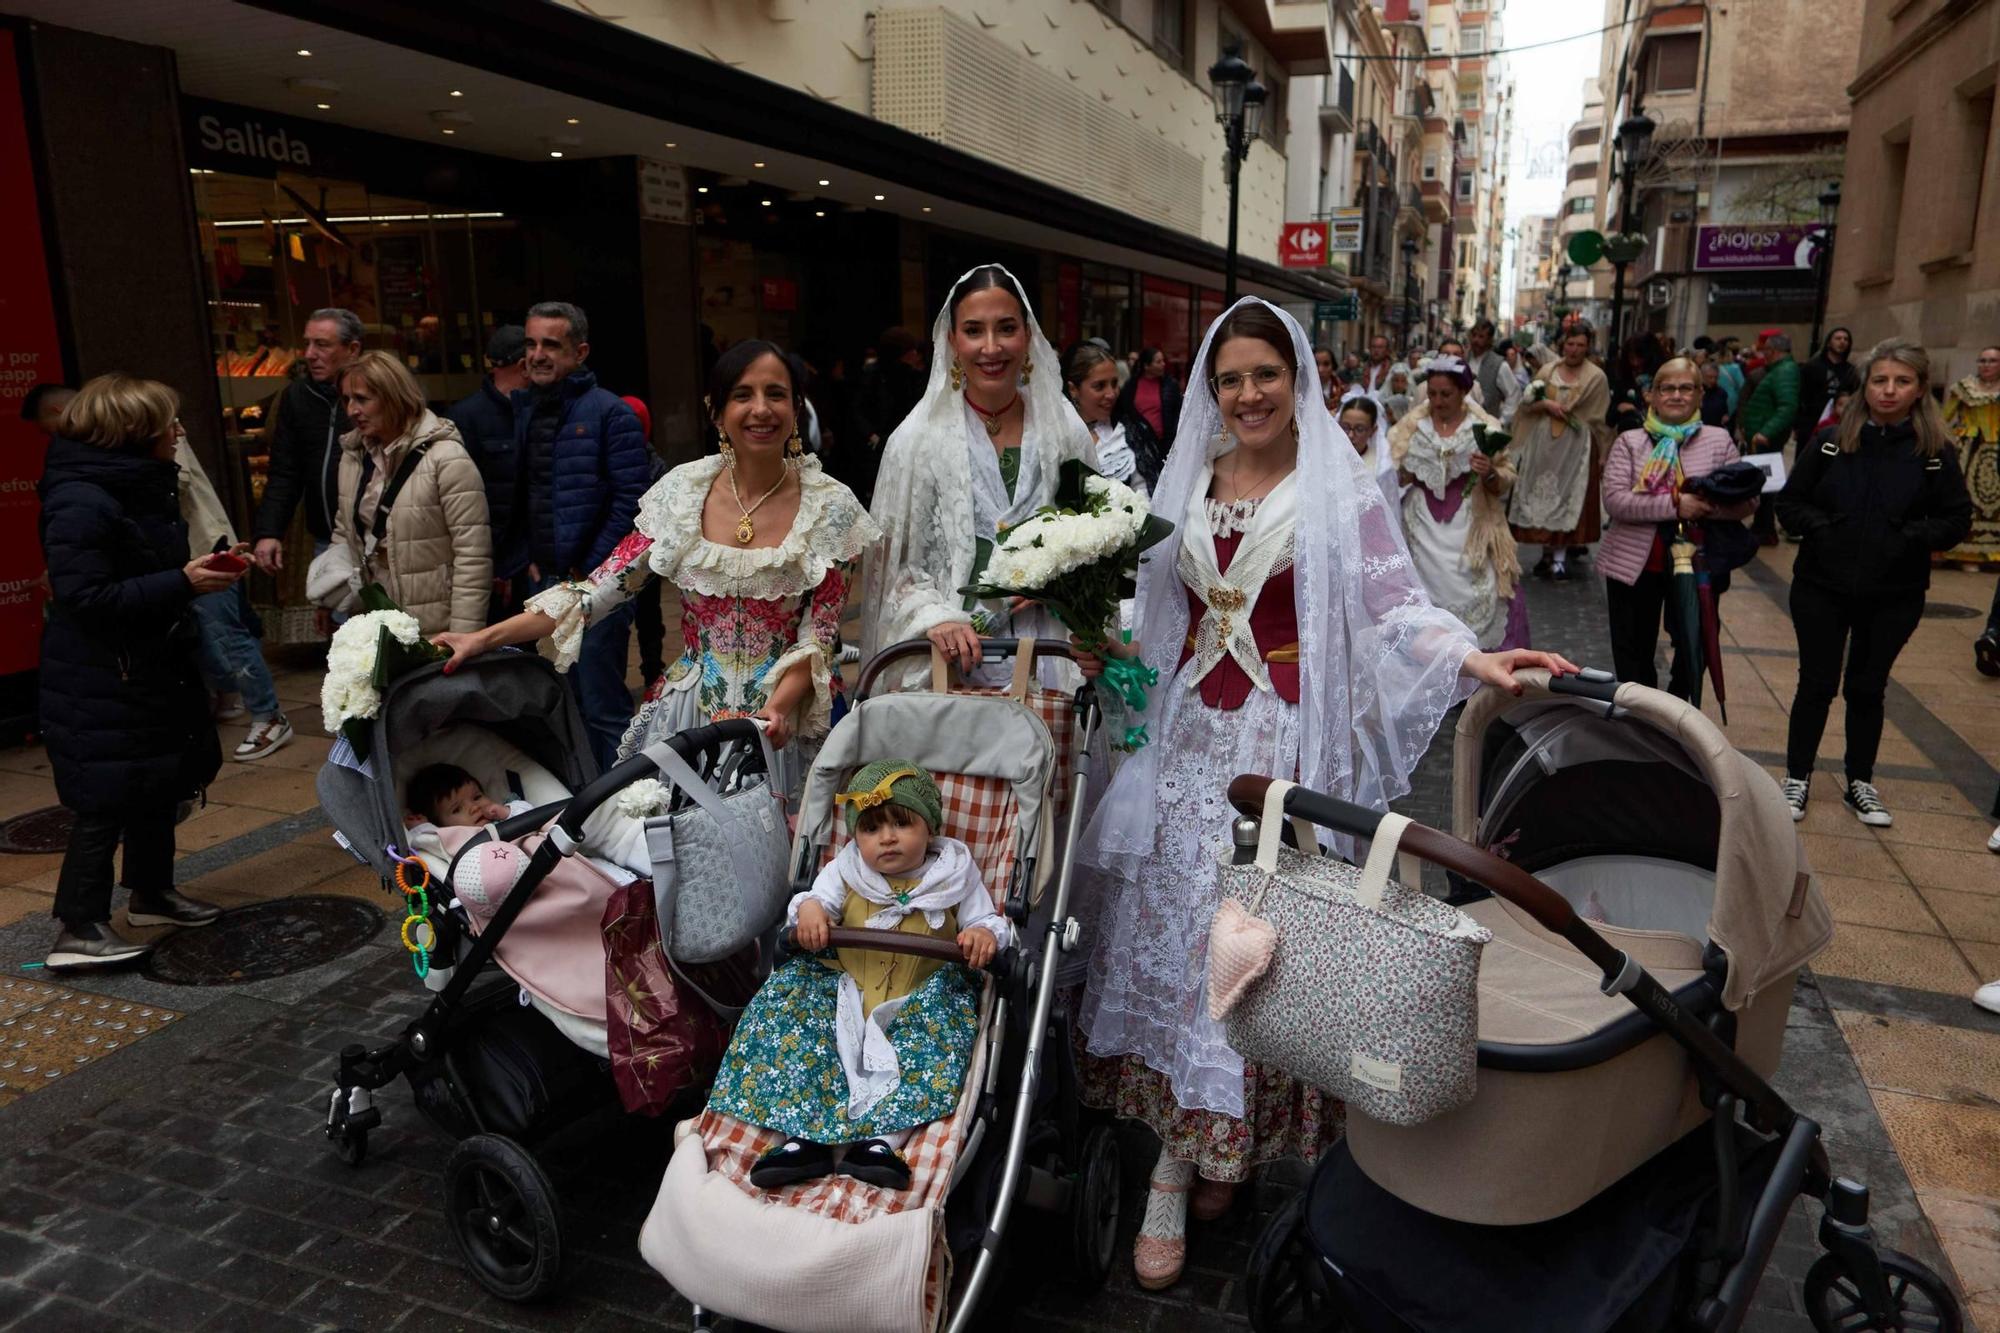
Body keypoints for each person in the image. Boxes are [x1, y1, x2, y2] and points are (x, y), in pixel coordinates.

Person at [1076, 299, 1578, 1290]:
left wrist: (1473, 654)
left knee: (1255, 941)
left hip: (1275, 745)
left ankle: (1215, 1148)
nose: (1248, 394)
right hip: (1183, 742)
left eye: (1265, 374)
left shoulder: (1335, 493)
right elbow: (1154, 608)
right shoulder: (1189, 480)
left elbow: (1392, 602)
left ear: (1294, 380)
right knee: (1184, 936)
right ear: (1208, 392)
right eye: (1230, 379)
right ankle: (1177, 1163)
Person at [436, 340, 878, 797]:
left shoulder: (832, 507)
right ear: (717, 411)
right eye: (743, 395)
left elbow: (819, 638)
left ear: (796, 407)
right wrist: (482, 639)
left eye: (776, 394)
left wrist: (779, 709)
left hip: (785, 721)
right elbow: (596, 593)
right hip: (691, 717)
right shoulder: (682, 493)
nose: (761, 410)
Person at [707, 761, 1008, 1191]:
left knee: (923, 1053)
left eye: (901, 824)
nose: (886, 837)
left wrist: (981, 932)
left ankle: (880, 1142)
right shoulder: (846, 871)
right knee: (802, 1031)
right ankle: (802, 1139)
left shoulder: (956, 876)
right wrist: (809, 911)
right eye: (870, 829)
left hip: (918, 1000)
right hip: (846, 990)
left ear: (930, 828)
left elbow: (990, 921)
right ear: (855, 837)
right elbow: (815, 901)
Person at [38, 375, 234, 968]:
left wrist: (189, 574)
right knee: (106, 798)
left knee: (157, 780)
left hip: (146, 665)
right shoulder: (82, 499)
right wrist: (183, 581)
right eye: (167, 424)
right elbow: (84, 597)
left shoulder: (131, 485)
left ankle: (151, 892)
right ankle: (78, 928)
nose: (178, 433)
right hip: (104, 676)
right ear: (133, 435)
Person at [862, 264, 1098, 683]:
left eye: (1006, 328)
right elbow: (892, 573)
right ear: (952, 341)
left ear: (1027, 336)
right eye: (974, 331)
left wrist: (1060, 578)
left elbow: (1100, 543)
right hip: (950, 675)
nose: (991, 347)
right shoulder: (917, 441)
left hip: (1050, 663)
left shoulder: (1064, 432)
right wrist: (935, 618)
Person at [1774, 339, 1973, 827]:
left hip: (1894, 592)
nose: (1888, 391)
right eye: (1880, 380)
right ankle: (1797, 776)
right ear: (1865, 386)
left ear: (1919, 389)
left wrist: (1908, 537)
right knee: (1816, 684)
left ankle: (1859, 781)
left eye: (1901, 381)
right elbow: (1791, 503)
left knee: (1867, 687)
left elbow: (1957, 518)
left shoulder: (1933, 452)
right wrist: (1824, 530)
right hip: (1822, 585)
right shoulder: (1829, 440)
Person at [513, 301, 653, 770]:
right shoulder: (529, 410)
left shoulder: (610, 414)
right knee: (560, 701)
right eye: (531, 343)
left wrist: (591, 570)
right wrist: (528, 557)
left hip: (598, 586)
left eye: (551, 344)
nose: (537, 354)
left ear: (580, 351)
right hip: (545, 582)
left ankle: (624, 803)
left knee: (603, 705)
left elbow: (630, 502)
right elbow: (526, 493)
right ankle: (578, 804)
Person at [1599, 358, 1756, 694]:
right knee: (1633, 653)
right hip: (1635, 565)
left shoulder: (1718, 441)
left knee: (1692, 648)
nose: (1676, 395)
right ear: (1651, 396)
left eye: (1686, 388)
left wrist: (1704, 508)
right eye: (1667, 388)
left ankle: (1679, 718)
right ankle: (1639, 721)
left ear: (1700, 394)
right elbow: (1615, 501)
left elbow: (1746, 501)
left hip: (1699, 563)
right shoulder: (1630, 441)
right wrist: (1675, 505)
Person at [322, 352, 492, 639]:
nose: (351, 410)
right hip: (374, 623)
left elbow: (473, 555)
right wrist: (330, 592)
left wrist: (463, 637)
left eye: (362, 399)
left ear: (393, 397)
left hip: (435, 627)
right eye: (347, 399)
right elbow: (345, 532)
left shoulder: (446, 458)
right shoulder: (354, 458)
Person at [1390, 355, 1526, 650]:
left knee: (1480, 583)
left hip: (1471, 522)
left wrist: (1488, 472)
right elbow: (1392, 472)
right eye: (1433, 393)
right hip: (1420, 524)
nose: (1438, 401)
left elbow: (1505, 477)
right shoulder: (1411, 428)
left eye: (1446, 394)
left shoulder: (1484, 427)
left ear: (1463, 392)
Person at [173, 422, 290, 759]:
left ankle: (269, 717)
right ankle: (228, 698)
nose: (179, 431)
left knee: (228, 638)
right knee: (210, 641)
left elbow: (176, 481)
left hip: (203, 548)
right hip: (180, 558)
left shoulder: (163, 426)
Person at [251, 308, 361, 573]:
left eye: (322, 345)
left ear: (352, 349)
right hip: (326, 539)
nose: (310, 354)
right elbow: (284, 471)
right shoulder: (297, 397)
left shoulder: (374, 394)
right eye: (307, 343)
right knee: (338, 614)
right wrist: (269, 531)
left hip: (376, 540)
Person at [1510, 323, 1612, 581]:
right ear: (1562, 345)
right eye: (1570, 344)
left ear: (1588, 347)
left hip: (1577, 445)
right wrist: (1545, 403)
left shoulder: (1596, 377)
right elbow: (1527, 403)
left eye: (1580, 345)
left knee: (1569, 497)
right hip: (1544, 443)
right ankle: (1546, 555)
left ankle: (1559, 559)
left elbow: (1599, 419)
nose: (1574, 350)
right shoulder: (1547, 371)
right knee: (1542, 494)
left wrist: (1602, 454)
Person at [445, 324, 531, 621]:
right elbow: (465, 504)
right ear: (523, 364)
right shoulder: (465, 418)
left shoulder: (540, 409)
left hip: (534, 560)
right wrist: (493, 566)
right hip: (494, 565)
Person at [847, 326, 927, 508]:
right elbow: (857, 409)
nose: (916, 354)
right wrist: (872, 435)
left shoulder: (914, 377)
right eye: (910, 350)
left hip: (904, 446)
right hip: (876, 447)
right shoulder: (872, 375)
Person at [1943, 344, 2000, 575]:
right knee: (1969, 502)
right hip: (1969, 450)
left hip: (1998, 452)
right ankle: (1966, 553)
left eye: (1993, 361)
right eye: (1982, 360)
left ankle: (1994, 554)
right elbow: (1945, 418)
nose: (1986, 365)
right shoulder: (1964, 388)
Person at [1741, 332, 1800, 546]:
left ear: (1773, 351)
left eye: (1765, 351)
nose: (1763, 355)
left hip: (1767, 439)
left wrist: (1766, 431)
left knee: (1766, 484)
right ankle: (1761, 525)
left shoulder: (1785, 371)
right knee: (1762, 483)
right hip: (1762, 437)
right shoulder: (1778, 370)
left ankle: (1765, 528)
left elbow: (1788, 406)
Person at [1064, 340, 1145, 494]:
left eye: (1114, 384)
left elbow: (1144, 492)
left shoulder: (1128, 433)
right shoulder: (1057, 436)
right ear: (1073, 389)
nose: (1111, 394)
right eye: (1099, 386)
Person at [1112, 345, 1182, 492]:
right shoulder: (1131, 386)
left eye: (1163, 361)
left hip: (1165, 446)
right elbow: (1122, 411)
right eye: (1158, 361)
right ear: (1146, 366)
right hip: (1139, 448)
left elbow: (1179, 414)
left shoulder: (1170, 385)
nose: (1163, 364)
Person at [1796, 328, 1860, 451]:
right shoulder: (1811, 367)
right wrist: (1797, 425)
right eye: (1838, 338)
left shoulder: (1851, 371)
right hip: (1810, 423)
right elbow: (1801, 395)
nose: (1842, 342)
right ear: (1829, 342)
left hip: (1838, 425)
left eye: (1846, 339)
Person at [1336, 391, 1399, 513]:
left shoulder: (1382, 468)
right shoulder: (1327, 459)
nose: (1350, 435)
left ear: (1373, 430)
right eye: (1345, 427)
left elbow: (1389, 512)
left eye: (1359, 429)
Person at [1466, 319, 1507, 413]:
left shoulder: (1499, 364)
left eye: (1481, 336)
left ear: (1489, 340)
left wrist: (1501, 421)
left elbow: (1513, 395)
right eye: (1474, 335)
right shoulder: (1463, 359)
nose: (1476, 340)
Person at [1699, 359, 1733, 431]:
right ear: (1702, 376)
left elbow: (1725, 412)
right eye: (1710, 377)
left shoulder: (1721, 393)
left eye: (1716, 377)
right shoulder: (1695, 392)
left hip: (1717, 430)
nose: (1713, 380)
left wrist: (1726, 417)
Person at [1359, 334, 1395, 398]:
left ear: (1386, 350)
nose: (1376, 350)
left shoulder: (1392, 369)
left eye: (1380, 347)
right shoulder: (1362, 368)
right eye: (1373, 347)